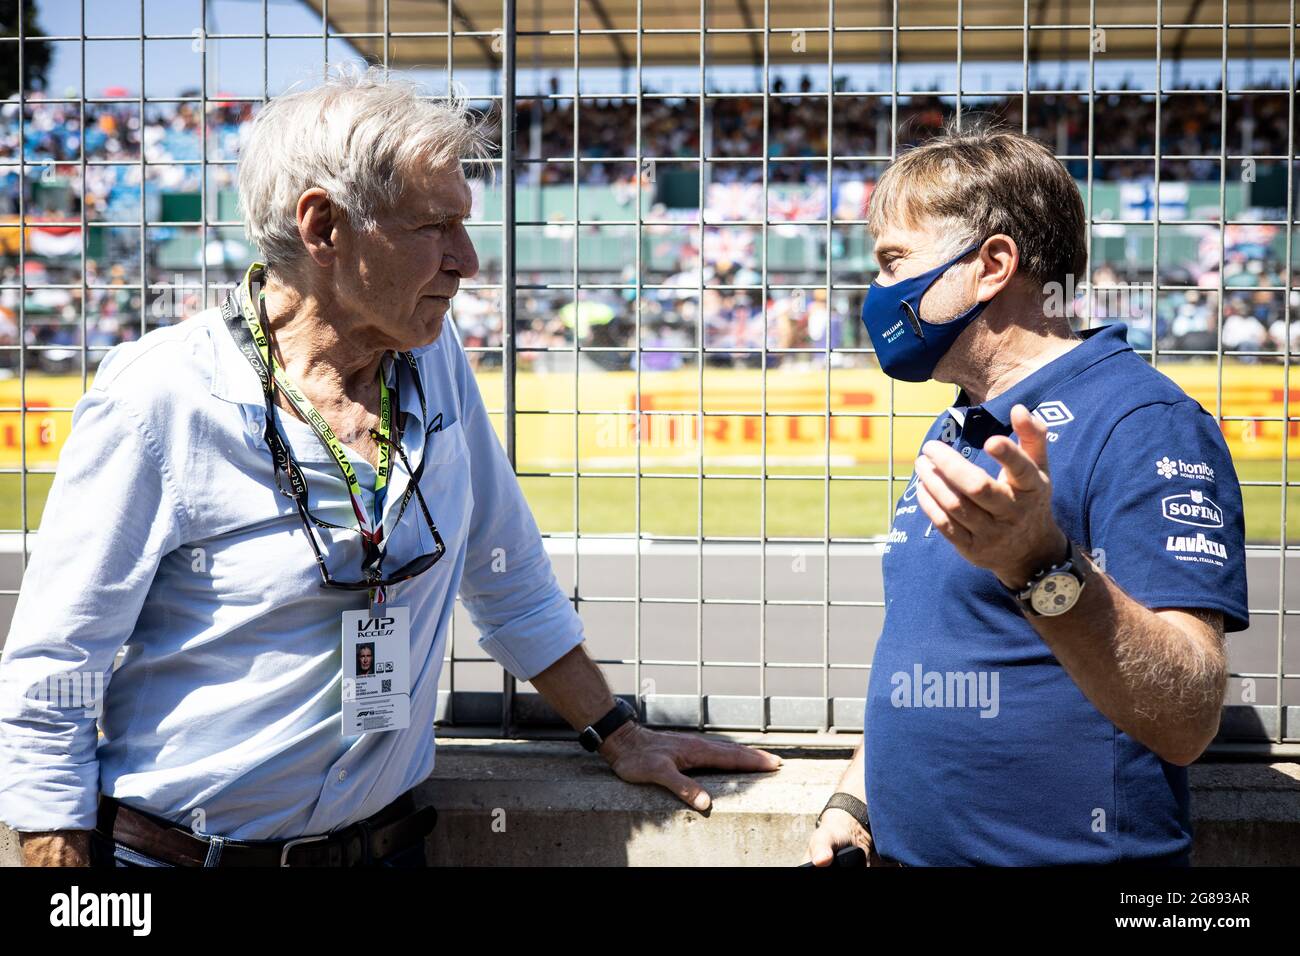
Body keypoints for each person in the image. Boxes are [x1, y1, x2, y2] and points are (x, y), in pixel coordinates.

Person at [0, 64, 780, 868]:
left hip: (390, 845)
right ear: (324, 228)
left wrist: (617, 734)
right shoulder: (160, 398)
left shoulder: (436, 365)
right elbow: (59, 660)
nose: (467, 259)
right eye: (433, 227)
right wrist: (61, 869)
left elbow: (506, 575)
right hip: (177, 859)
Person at [806, 123, 1247, 866]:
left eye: (893, 262)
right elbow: (935, 645)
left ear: (992, 265)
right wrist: (859, 794)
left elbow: (1187, 716)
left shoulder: (1144, 422)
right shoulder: (957, 427)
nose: (875, 292)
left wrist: (1042, 565)